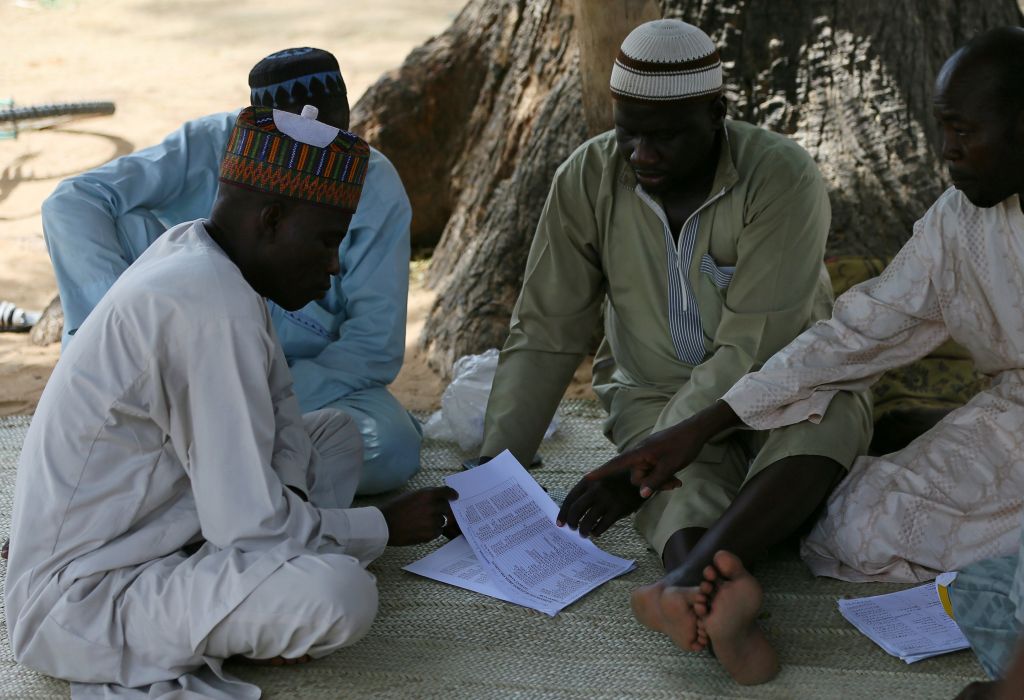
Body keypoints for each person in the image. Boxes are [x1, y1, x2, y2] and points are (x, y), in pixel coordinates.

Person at [588, 26, 1024, 685]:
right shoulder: (958, 221)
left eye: (963, 130)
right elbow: (855, 334)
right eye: (942, 128)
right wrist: (703, 427)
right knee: (851, 523)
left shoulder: (778, 174)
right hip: (1014, 416)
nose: (947, 151)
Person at [5, 105, 459, 699]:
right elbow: (249, 525)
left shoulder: (203, 256)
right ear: (271, 219)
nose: (333, 265)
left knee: (338, 434)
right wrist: (382, 526)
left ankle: (251, 583)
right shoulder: (208, 307)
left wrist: (291, 505)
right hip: (86, 595)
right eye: (326, 241)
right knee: (340, 594)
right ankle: (245, 611)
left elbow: (284, 416)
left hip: (172, 516)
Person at [475, 19, 869, 682]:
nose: (642, 153)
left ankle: (686, 581)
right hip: (653, 391)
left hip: (787, 378)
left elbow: (756, 346)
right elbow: (546, 327)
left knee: (821, 425)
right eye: (628, 132)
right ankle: (715, 603)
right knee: (677, 494)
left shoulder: (780, 175)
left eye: (665, 136)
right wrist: (494, 473)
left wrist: (652, 459)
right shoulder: (587, 177)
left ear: (717, 114)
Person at [41, 47, 420, 495]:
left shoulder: (373, 184)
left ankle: (195, 471)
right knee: (121, 221)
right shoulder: (210, 145)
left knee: (389, 445)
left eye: (328, 137)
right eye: (297, 143)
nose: (316, 159)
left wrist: (248, 399)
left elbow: (371, 349)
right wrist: (117, 343)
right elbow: (71, 203)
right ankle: (200, 452)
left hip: (299, 382)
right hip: (178, 365)